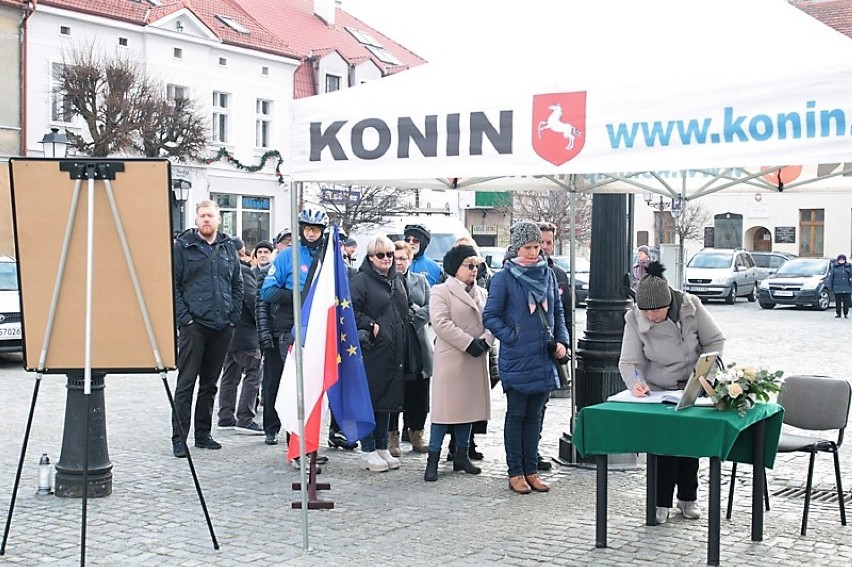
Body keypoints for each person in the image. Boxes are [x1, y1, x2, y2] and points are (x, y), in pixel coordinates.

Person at [618, 260, 726, 524]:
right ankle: (659, 502)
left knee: (689, 445)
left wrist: (704, 374)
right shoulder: (634, 318)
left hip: (692, 384)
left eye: (658, 311)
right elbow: (629, 361)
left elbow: (715, 341)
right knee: (662, 447)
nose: (652, 316)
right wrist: (636, 383)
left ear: (669, 303)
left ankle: (688, 498)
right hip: (659, 389)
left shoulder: (691, 306)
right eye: (647, 313)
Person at [483, 221, 569, 494]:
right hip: (517, 357)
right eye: (529, 247)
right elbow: (491, 316)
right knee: (517, 414)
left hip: (543, 355)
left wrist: (562, 341)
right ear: (516, 247)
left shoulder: (549, 275)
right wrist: (512, 335)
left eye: (538, 246)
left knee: (535, 416)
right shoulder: (503, 278)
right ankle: (515, 471)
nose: (535, 252)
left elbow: (558, 312)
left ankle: (531, 469)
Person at [171, 200, 243, 458]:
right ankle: (180, 438)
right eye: (202, 216)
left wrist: (233, 317)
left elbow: (237, 284)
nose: (206, 220)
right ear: (196, 219)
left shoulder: (227, 247)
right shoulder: (183, 247)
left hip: (222, 326)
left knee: (210, 384)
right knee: (186, 383)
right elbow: (173, 286)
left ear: (218, 219)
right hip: (194, 326)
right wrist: (185, 319)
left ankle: (203, 434)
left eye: (210, 216)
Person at [259, 208, 328, 455]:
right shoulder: (286, 256)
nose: (311, 234)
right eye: (307, 229)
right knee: (293, 385)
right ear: (301, 230)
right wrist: (296, 296)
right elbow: (266, 292)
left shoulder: (328, 257)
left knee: (313, 388)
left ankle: (310, 443)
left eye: (316, 230)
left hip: (319, 326)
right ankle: (295, 445)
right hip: (291, 326)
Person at [425, 245, 493, 482]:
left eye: (476, 266)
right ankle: (433, 458)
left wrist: (485, 341)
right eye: (469, 265)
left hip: (475, 357)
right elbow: (441, 323)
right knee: (445, 411)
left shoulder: (482, 293)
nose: (474, 270)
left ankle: (461, 455)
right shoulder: (440, 291)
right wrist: (468, 342)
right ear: (456, 268)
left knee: (468, 408)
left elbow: (492, 320)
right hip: (453, 357)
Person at [349, 236, 407, 472]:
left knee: (387, 400)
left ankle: (382, 446)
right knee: (370, 401)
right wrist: (371, 325)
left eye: (389, 254)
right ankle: (368, 448)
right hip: (371, 349)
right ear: (371, 257)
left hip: (394, 350)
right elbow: (349, 310)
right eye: (380, 255)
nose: (386, 259)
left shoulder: (397, 280)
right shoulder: (361, 281)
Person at [388, 241, 433, 456]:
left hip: (418, 343)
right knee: (394, 394)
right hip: (394, 345)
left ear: (410, 260)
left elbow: (432, 306)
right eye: (395, 258)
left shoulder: (421, 281)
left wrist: (414, 316)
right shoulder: (385, 282)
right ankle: (392, 437)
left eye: (403, 258)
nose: (399, 262)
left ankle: (416, 434)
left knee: (419, 394)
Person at [536, 221, 573, 472]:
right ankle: (522, 455)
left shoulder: (558, 274)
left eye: (549, 242)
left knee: (543, 403)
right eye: (541, 242)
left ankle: (534, 449)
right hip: (527, 350)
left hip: (551, 350)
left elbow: (564, 313)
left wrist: (565, 343)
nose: (545, 247)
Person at [217, 237, 263, 434]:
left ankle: (225, 416)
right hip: (245, 333)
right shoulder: (243, 271)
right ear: (242, 252)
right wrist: (261, 325)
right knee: (253, 373)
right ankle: (246, 417)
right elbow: (252, 300)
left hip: (225, 332)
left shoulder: (218, 272)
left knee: (230, 374)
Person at [827, 253, 852, 318]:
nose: (841, 261)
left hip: (847, 287)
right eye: (840, 260)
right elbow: (831, 278)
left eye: (843, 260)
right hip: (837, 287)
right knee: (838, 302)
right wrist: (830, 287)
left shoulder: (849, 267)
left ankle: (846, 313)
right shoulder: (835, 267)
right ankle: (838, 313)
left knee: (846, 302)